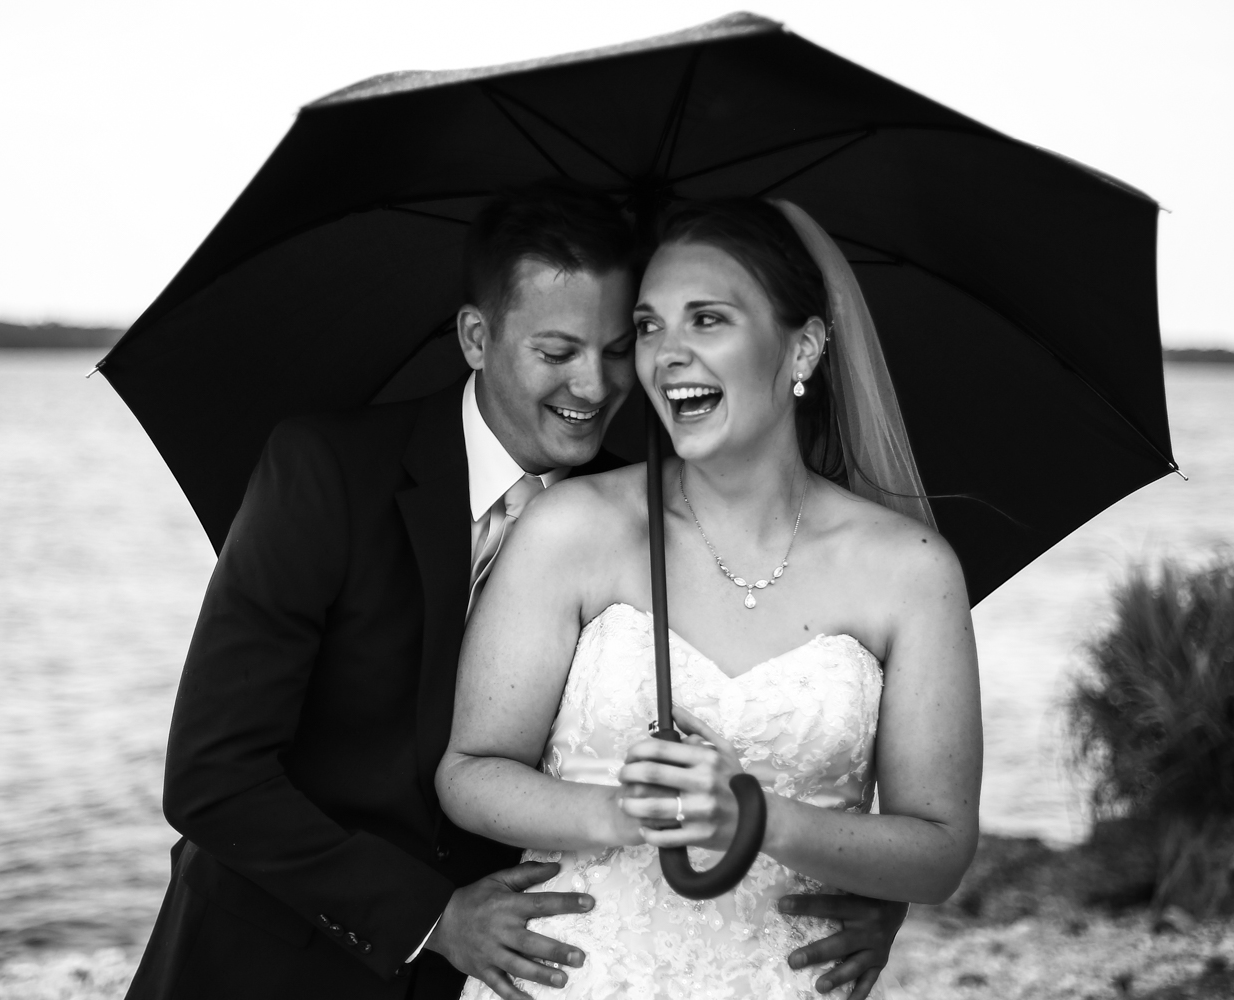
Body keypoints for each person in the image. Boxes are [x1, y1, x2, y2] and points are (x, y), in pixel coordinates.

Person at [125, 187, 909, 1000]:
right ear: (476, 336)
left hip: (512, 972)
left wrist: (863, 900)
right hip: (270, 959)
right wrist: (432, 919)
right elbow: (212, 778)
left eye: (615, 348)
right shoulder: (325, 472)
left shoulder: (638, 515)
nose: (595, 385)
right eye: (557, 351)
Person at [438, 198, 981, 999]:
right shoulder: (571, 529)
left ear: (801, 348)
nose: (666, 356)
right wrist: (617, 813)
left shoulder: (911, 570)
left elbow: (937, 852)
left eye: (707, 320)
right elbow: (469, 771)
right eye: (650, 327)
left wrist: (760, 819)